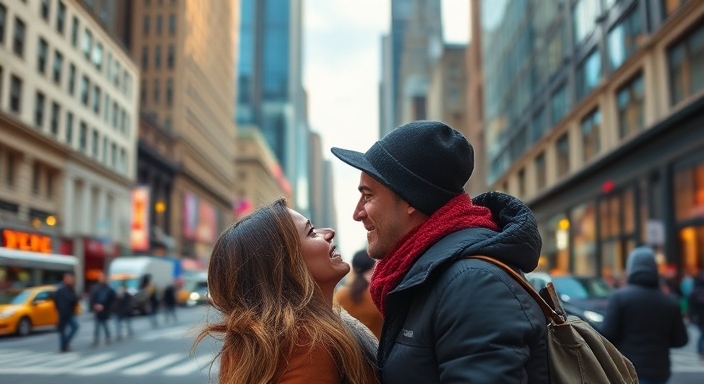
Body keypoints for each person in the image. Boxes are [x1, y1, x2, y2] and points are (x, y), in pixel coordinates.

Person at [331, 120, 549, 382]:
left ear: (411, 199)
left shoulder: (472, 284)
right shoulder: (433, 277)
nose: (357, 213)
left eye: (368, 196)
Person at [194, 199, 379, 384]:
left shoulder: (264, 343)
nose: (329, 233)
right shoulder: (305, 343)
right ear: (283, 266)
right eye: (311, 233)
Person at [601, 246, 689, 384]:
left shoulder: (619, 298)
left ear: (631, 269)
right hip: (660, 370)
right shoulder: (669, 301)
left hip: (628, 368)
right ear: (654, 269)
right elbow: (681, 340)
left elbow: (607, 334)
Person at [334, 249, 383, 339]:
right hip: (377, 347)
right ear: (373, 267)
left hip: (353, 348)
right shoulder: (377, 294)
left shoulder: (340, 295)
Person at [54, 272, 80, 352]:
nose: (71, 280)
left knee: (74, 327)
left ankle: (65, 344)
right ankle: (63, 346)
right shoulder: (61, 289)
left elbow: (74, 300)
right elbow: (56, 300)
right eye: (69, 279)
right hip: (63, 312)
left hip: (69, 312)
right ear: (65, 279)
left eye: (72, 279)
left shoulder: (70, 288)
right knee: (62, 330)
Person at [90, 272, 116, 346]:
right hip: (97, 310)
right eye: (101, 277)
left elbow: (112, 298)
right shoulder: (95, 287)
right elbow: (92, 298)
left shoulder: (108, 288)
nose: (102, 279)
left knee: (105, 325)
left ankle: (107, 337)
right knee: (97, 325)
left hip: (105, 310)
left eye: (103, 278)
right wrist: (94, 306)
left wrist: (107, 307)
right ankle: (96, 339)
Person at [688, 271, 704, 361]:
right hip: (700, 317)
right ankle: (701, 351)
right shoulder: (696, 292)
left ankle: (701, 351)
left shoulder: (694, 291)